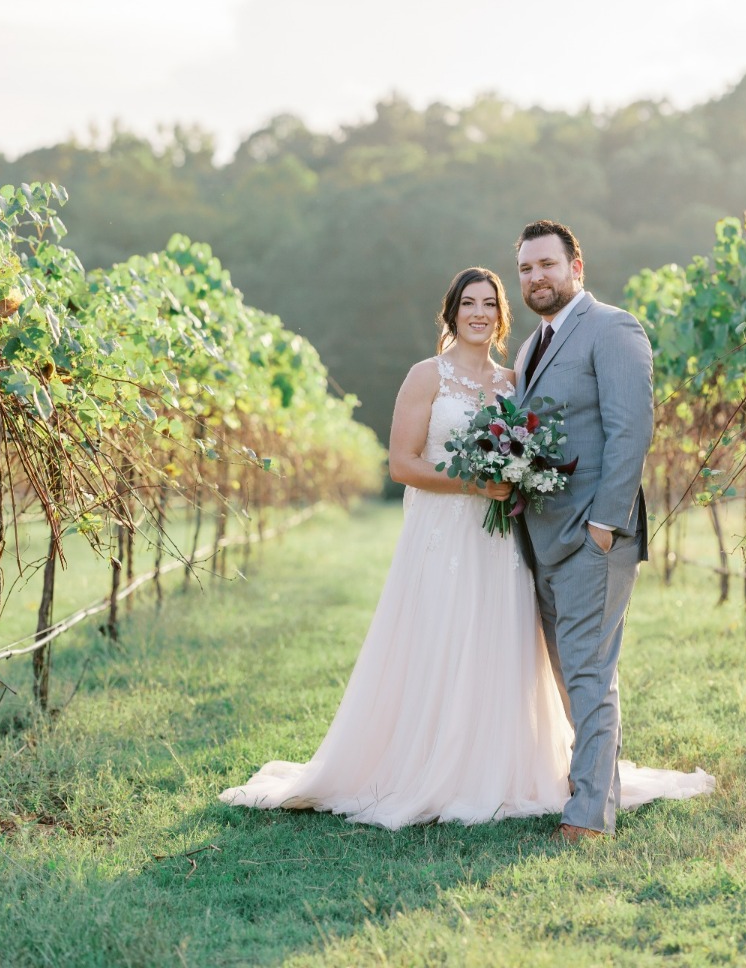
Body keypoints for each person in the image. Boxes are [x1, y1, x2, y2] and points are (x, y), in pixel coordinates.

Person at [219, 267, 575, 826]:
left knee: (495, 639)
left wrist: (517, 475)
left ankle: (494, 767)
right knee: (437, 638)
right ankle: (424, 766)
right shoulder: (425, 375)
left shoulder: (513, 383)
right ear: (452, 313)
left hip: (499, 539)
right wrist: (476, 483)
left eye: (489, 304)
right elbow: (402, 464)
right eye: (468, 304)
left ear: (502, 316)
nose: (478, 313)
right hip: (441, 534)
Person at [514, 218, 676, 842]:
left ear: (576, 268)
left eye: (547, 265)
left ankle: (589, 818)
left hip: (593, 536)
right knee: (571, 675)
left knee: (587, 673)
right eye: (526, 269)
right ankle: (588, 786)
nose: (536, 278)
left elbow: (630, 430)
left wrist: (605, 526)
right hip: (545, 540)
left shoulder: (612, 328)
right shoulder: (534, 345)